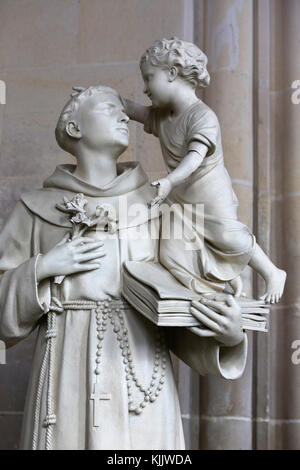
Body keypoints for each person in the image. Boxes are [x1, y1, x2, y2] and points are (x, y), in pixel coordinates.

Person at [0, 85, 247, 450]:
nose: (123, 115)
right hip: (65, 375)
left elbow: (182, 299)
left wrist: (228, 337)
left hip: (143, 380)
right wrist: (41, 269)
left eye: (122, 109)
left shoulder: (158, 208)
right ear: (74, 129)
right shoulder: (35, 208)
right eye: (107, 107)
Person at [123, 37, 286, 304]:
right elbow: (134, 110)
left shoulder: (202, 116)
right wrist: (104, 97)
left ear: (172, 73)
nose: (144, 88)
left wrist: (169, 181)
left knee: (226, 235)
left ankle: (272, 271)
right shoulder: (162, 116)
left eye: (149, 78)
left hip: (208, 190)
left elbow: (194, 158)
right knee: (177, 244)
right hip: (181, 193)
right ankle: (220, 277)